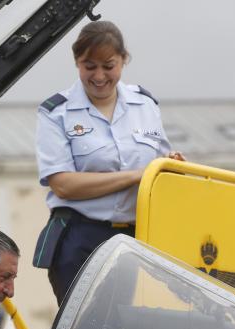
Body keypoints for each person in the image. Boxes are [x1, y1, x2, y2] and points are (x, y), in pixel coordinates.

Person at [33, 20, 184, 304]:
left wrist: (173, 166)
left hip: (136, 239)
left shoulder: (146, 105)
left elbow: (160, 170)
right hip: (81, 237)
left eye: (108, 66)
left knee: (123, 326)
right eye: (89, 66)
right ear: (77, 62)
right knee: (82, 327)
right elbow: (63, 184)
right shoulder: (56, 112)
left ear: (124, 60)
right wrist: (136, 175)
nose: (99, 76)